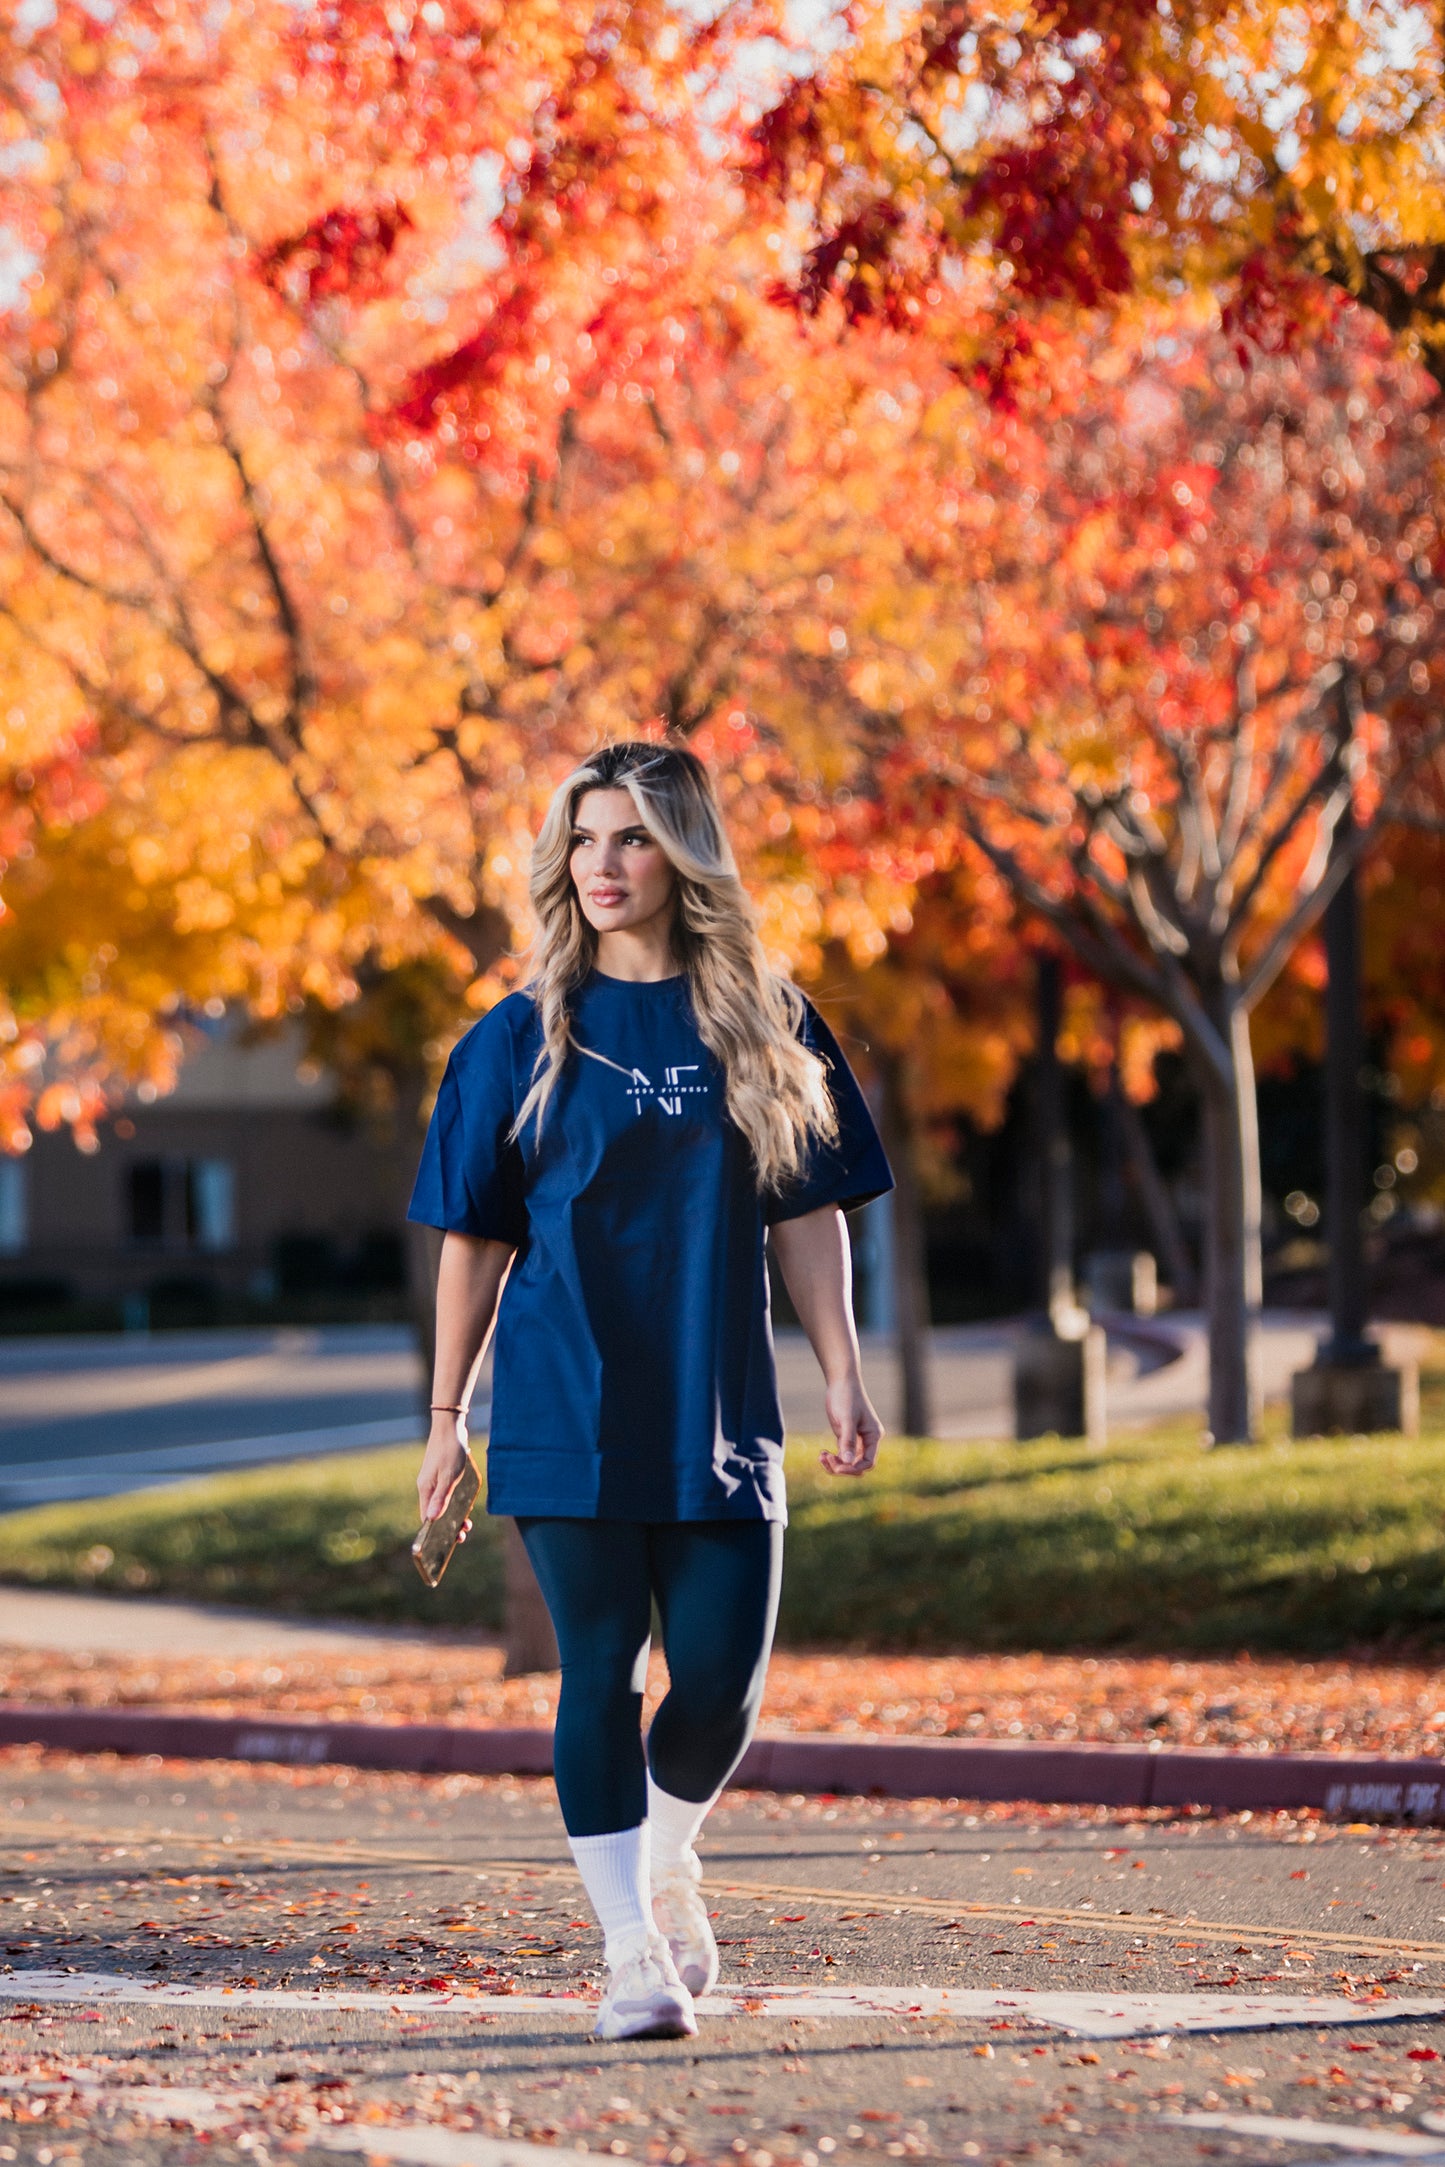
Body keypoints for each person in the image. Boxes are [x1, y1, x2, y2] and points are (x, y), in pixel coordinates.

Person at [409, 741, 893, 2042]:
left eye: (629, 839)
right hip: (568, 1401)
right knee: (598, 1675)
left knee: (723, 1685)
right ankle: (630, 1948)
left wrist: (841, 1368)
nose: (604, 864)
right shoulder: (517, 1040)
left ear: (680, 856)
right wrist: (447, 1422)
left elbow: (807, 1214)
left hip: (721, 1403)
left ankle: (666, 1854)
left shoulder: (767, 1020)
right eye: (584, 839)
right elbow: (475, 1242)